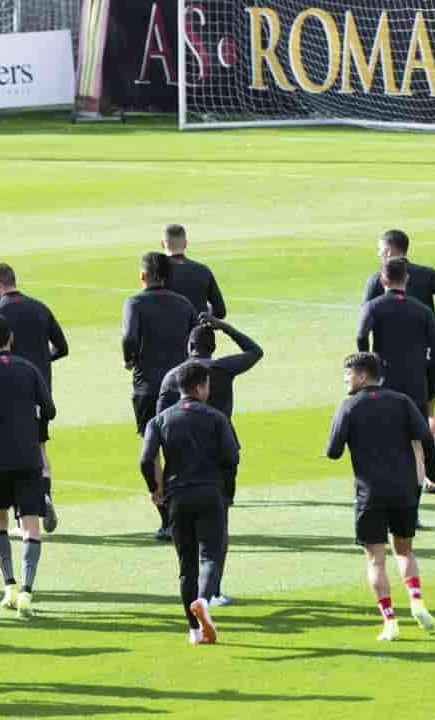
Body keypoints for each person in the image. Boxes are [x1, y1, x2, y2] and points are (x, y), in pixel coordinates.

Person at [326, 352, 435, 641]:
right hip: (404, 491)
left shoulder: (349, 406)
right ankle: (416, 602)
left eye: (348, 374)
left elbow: (333, 451)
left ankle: (390, 622)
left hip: (370, 494)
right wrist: (432, 473)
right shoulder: (402, 401)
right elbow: (425, 437)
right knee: (405, 550)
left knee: (375, 560)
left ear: (363, 376)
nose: (345, 379)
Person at [157, 315, 263, 606]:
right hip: (221, 455)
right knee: (219, 525)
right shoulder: (223, 368)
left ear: (189, 345)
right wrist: (224, 325)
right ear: (213, 346)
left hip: (182, 461)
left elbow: (158, 424)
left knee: (186, 530)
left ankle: (193, 591)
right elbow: (255, 351)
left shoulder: (173, 377)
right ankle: (212, 591)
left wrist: (157, 476)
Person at [139, 364, 239, 645]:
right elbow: (232, 458)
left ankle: (194, 631)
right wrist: (225, 492)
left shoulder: (160, 420)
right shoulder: (217, 417)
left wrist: (155, 489)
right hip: (210, 494)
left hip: (177, 497)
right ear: (200, 387)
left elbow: (146, 460)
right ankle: (205, 601)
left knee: (186, 566)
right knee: (211, 556)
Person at [0, 315, 56, 618]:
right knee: (31, 525)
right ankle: (28, 592)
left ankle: (9, 587)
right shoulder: (29, 369)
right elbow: (50, 409)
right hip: (29, 456)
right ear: (11, 339)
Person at [362, 230, 435, 488]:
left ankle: (411, 477)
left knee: (396, 421)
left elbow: (365, 322)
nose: (378, 254)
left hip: (390, 363)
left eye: (380, 250)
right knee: (428, 411)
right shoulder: (427, 273)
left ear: (390, 251)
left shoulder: (376, 280)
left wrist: (369, 358)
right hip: (426, 355)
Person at [0, 262, 68, 533]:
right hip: (40, 394)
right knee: (39, 447)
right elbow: (62, 347)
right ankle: (43, 495)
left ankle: (21, 514)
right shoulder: (39, 307)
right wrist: (41, 363)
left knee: (11, 454)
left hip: (7, 397)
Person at [122, 251, 199, 540]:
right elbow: (196, 337)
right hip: (180, 384)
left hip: (147, 385)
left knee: (152, 449)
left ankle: (167, 517)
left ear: (143, 275)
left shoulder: (135, 303)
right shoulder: (183, 303)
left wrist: (129, 358)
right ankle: (185, 512)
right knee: (179, 448)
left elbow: (129, 338)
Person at [160, 224, 226, 318]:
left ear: (162, 244)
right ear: (186, 244)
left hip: (169, 331)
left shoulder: (157, 271)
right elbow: (220, 311)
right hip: (199, 330)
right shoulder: (203, 270)